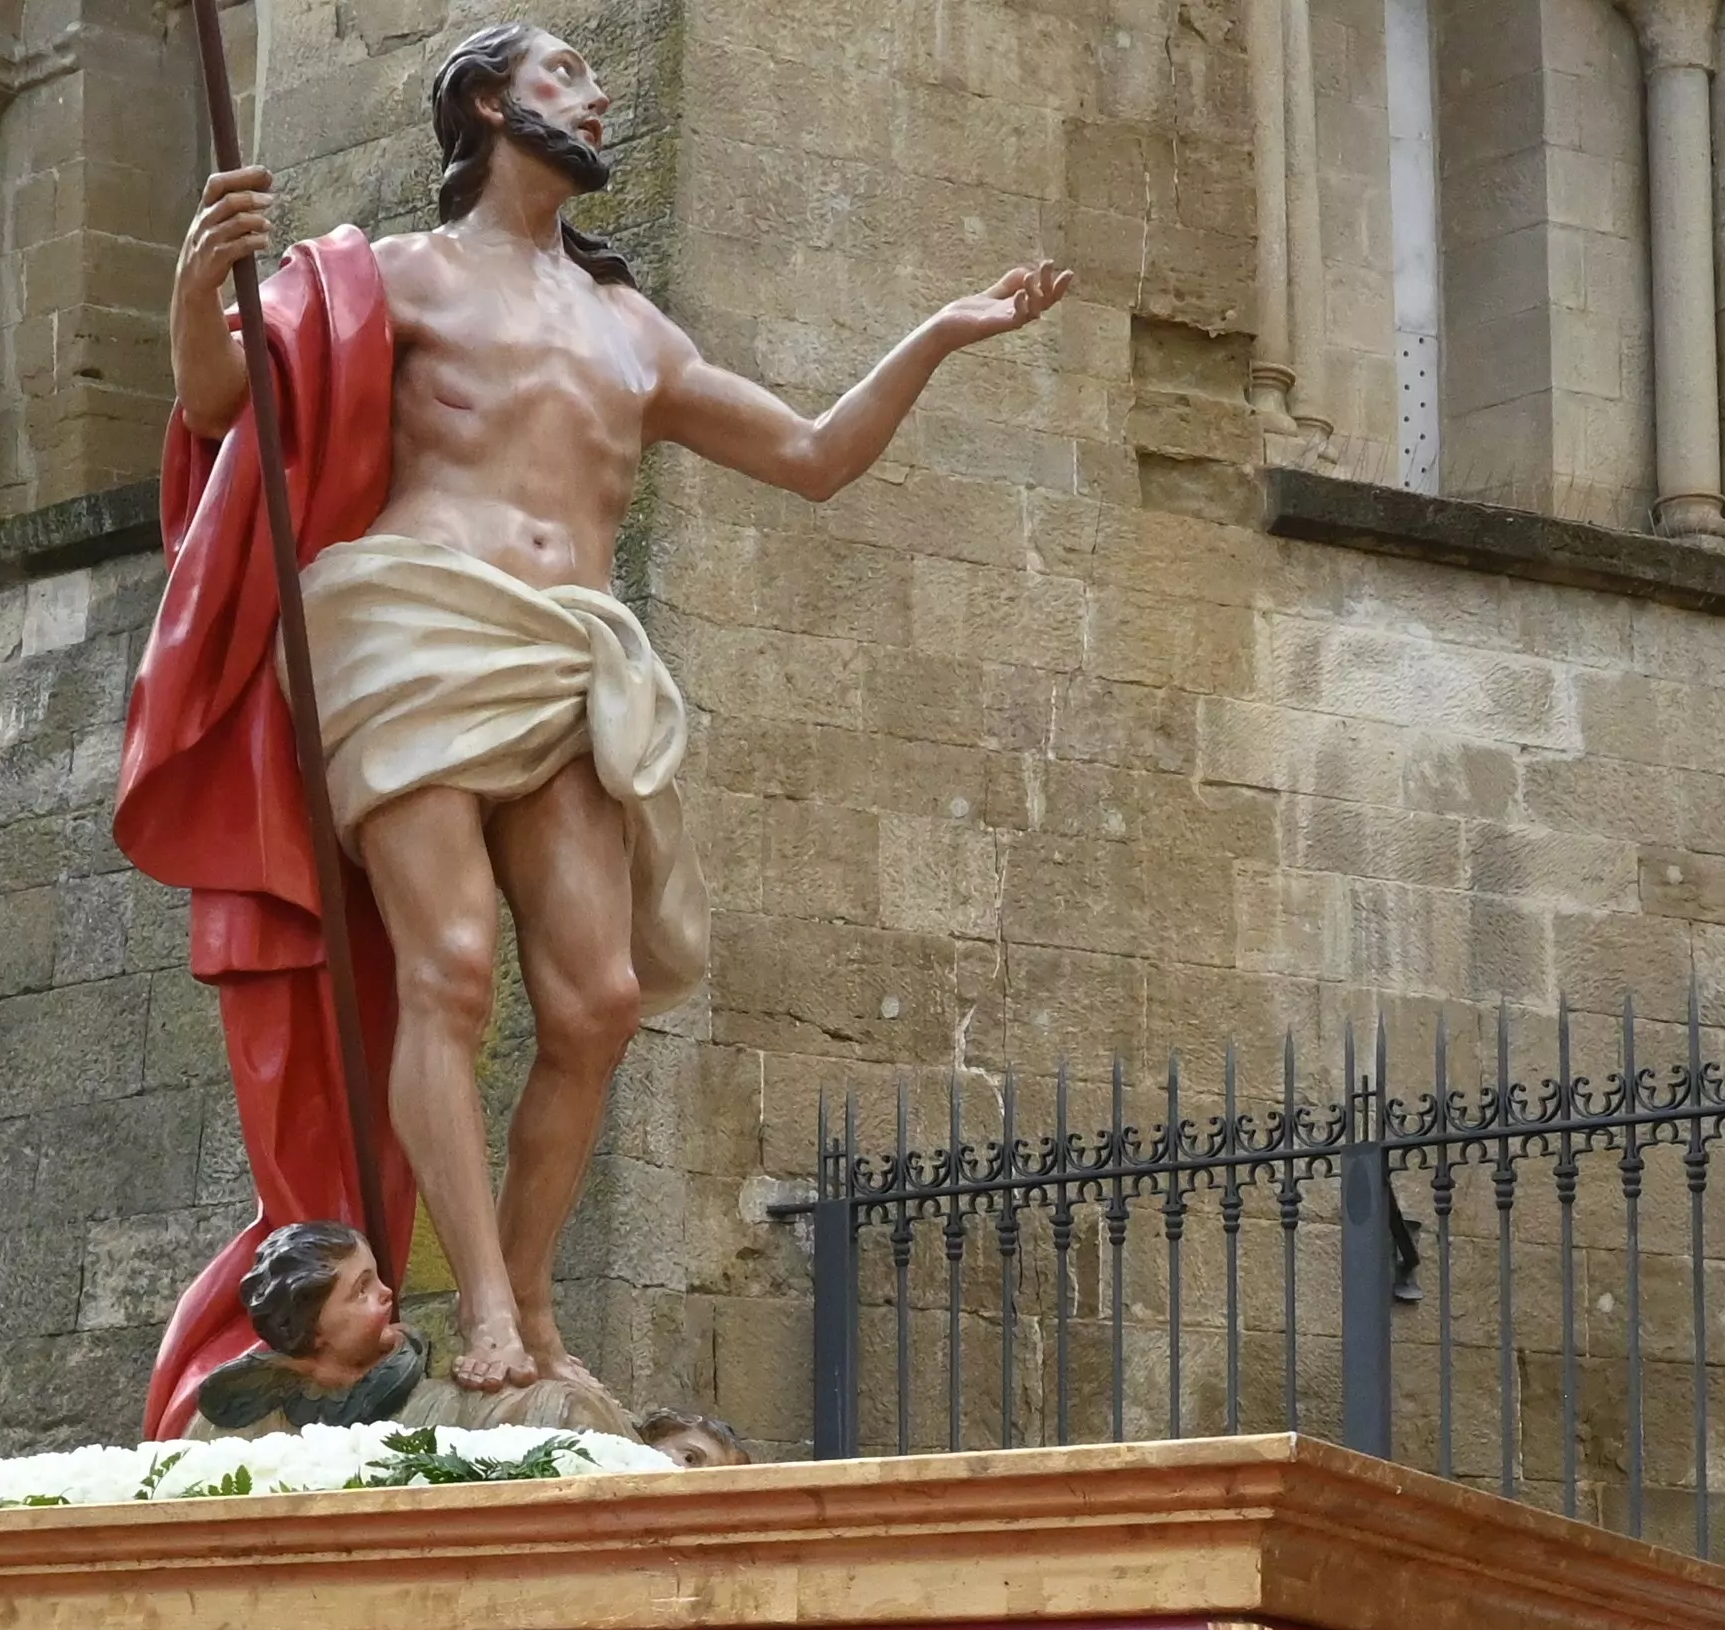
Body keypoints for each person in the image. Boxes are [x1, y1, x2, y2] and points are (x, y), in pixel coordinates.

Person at [130, 24, 1069, 1409]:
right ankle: (486, 1311)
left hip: (568, 657)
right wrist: (194, 286)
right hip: (408, 633)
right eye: (565, 73)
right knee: (452, 965)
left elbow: (812, 457)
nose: (596, 93)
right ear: (487, 102)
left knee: (600, 999)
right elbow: (226, 404)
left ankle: (530, 1286)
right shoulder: (391, 275)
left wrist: (936, 335)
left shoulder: (633, 328)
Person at [186, 1220, 430, 1432]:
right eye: (362, 1290)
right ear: (313, 1330)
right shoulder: (264, 1417)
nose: (386, 1291)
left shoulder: (415, 1374)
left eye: (376, 1277)